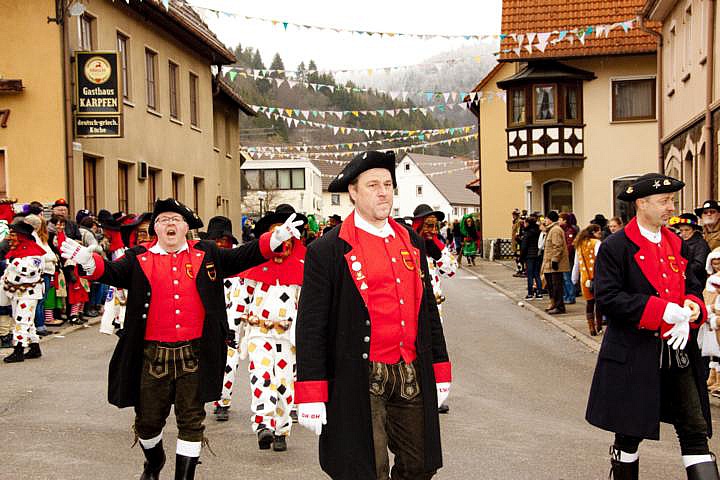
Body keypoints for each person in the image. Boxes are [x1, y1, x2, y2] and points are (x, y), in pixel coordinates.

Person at [59, 198, 303, 480]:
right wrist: (88, 261)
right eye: (163, 220)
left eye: (176, 219)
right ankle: (154, 461)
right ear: (156, 229)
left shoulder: (207, 253)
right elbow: (112, 272)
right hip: (152, 355)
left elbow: (242, 256)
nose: (170, 224)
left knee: (191, 421)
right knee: (148, 423)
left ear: (187, 227)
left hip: (195, 353)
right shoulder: (138, 257)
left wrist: (275, 239)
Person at [294, 151, 451, 480]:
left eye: (388, 185)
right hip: (359, 374)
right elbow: (311, 325)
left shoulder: (411, 241)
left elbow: (427, 310)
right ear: (353, 192)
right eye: (373, 185)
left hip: (409, 368)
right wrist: (311, 389)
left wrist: (440, 367)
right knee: (366, 469)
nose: (383, 192)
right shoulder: (328, 249)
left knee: (421, 463)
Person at [586, 173, 718, 479]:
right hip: (634, 353)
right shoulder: (615, 246)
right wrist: (662, 311)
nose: (671, 207)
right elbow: (608, 297)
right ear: (641, 204)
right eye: (664, 201)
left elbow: (693, 286)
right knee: (629, 433)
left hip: (677, 351)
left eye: (672, 200)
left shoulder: (677, 243)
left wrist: (691, 309)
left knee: (695, 428)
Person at [233, 205, 306, 451]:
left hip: (287, 336)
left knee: (285, 383)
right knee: (262, 378)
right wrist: (233, 330)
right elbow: (242, 300)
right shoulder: (254, 267)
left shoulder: (301, 268)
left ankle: (281, 430)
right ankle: (263, 423)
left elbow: (306, 306)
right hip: (259, 333)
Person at [412, 203, 458, 414]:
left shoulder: (437, 245)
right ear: (419, 224)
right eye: (428, 225)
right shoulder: (410, 244)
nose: (432, 230)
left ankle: (434, 396)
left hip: (435, 309)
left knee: (434, 352)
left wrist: (438, 254)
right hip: (416, 309)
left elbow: (451, 270)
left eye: (435, 226)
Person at [1, 219, 47, 363]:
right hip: (16, 292)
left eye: (12, 235)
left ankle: (18, 350)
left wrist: (14, 260)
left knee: (22, 320)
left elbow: (29, 270)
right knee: (26, 320)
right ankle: (34, 347)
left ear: (21, 236)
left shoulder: (34, 253)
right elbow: (9, 271)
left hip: (29, 293)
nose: (9, 238)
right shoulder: (16, 251)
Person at [571, 224, 603, 336]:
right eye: (599, 232)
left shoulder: (579, 244)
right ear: (593, 233)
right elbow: (600, 259)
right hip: (597, 277)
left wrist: (574, 278)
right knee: (599, 303)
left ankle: (591, 327)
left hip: (584, 278)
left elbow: (576, 264)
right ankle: (599, 326)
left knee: (589, 303)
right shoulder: (596, 243)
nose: (600, 234)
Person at [541, 211, 570, 314]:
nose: (545, 220)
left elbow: (558, 246)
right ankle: (554, 304)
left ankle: (559, 306)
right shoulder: (551, 229)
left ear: (550, 219)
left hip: (555, 264)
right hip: (549, 263)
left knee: (556, 286)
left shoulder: (555, 230)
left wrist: (555, 260)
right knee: (551, 286)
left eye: (546, 218)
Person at [520, 215, 542, 300]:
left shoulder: (527, 233)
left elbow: (524, 246)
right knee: (537, 274)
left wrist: (522, 257)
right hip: (537, 255)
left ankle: (530, 293)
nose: (524, 224)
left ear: (528, 223)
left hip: (529, 256)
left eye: (525, 223)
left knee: (529, 275)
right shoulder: (539, 232)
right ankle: (539, 293)